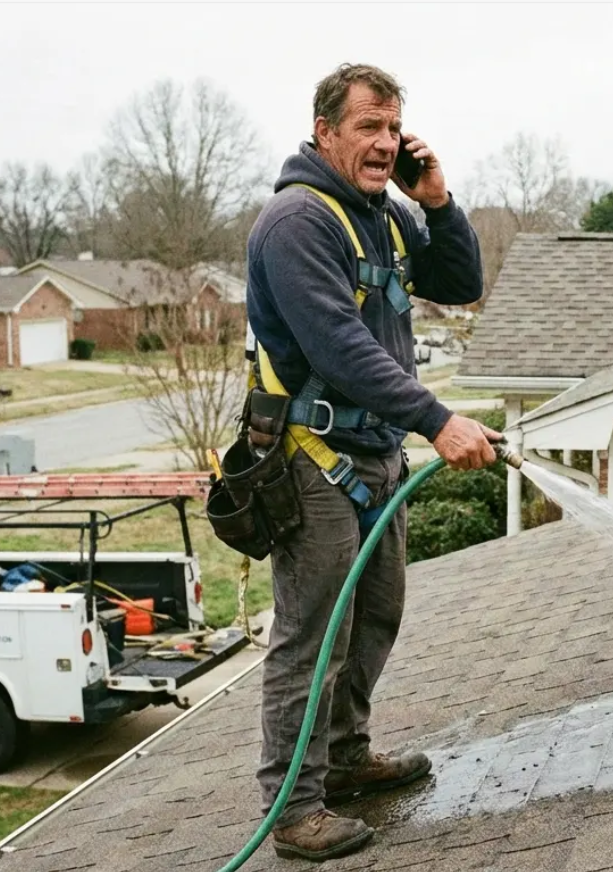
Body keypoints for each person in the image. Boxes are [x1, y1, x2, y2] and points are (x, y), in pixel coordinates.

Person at [244, 62, 497, 862]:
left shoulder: (385, 216)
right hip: (312, 457)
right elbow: (338, 347)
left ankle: (346, 758)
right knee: (313, 637)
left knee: (376, 616)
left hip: (375, 454)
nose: (386, 143)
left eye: (394, 128)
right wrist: (436, 420)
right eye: (368, 127)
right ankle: (294, 808)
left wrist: (438, 203)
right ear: (325, 133)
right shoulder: (298, 222)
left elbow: (460, 281)